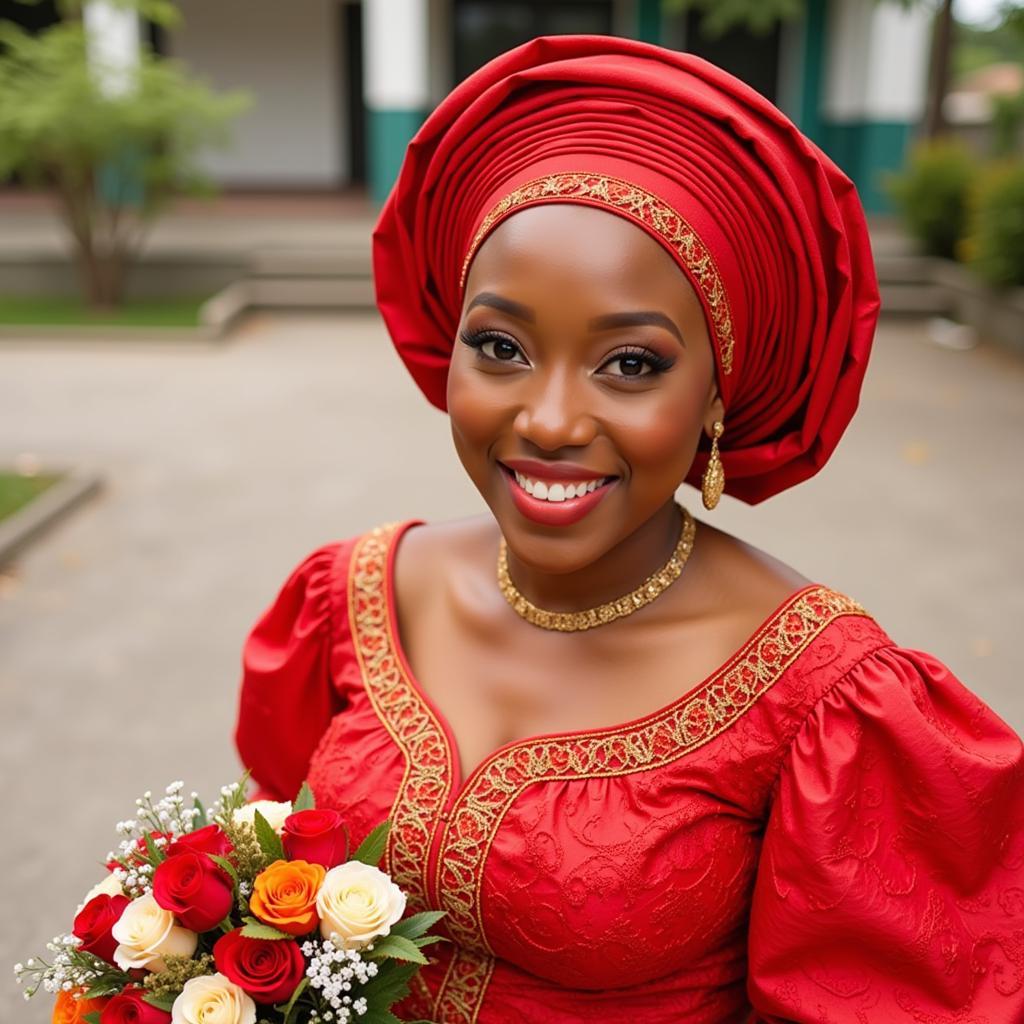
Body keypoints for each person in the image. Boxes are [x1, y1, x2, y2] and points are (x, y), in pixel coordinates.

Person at [234, 36, 1024, 1024]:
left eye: (632, 364)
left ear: (715, 397)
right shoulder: (355, 593)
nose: (551, 420)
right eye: (500, 347)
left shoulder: (826, 696)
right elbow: (265, 865)